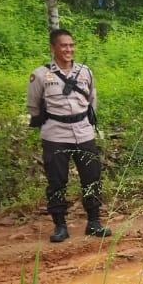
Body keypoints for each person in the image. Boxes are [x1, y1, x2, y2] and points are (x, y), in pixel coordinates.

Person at [26, 28, 111, 243]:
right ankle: (60, 226)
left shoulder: (85, 72)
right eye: (63, 45)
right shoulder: (40, 75)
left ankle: (93, 222)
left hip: (83, 132)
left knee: (92, 178)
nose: (68, 49)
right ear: (53, 47)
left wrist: (85, 121)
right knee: (57, 182)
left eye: (71, 45)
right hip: (55, 134)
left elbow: (92, 100)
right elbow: (33, 106)